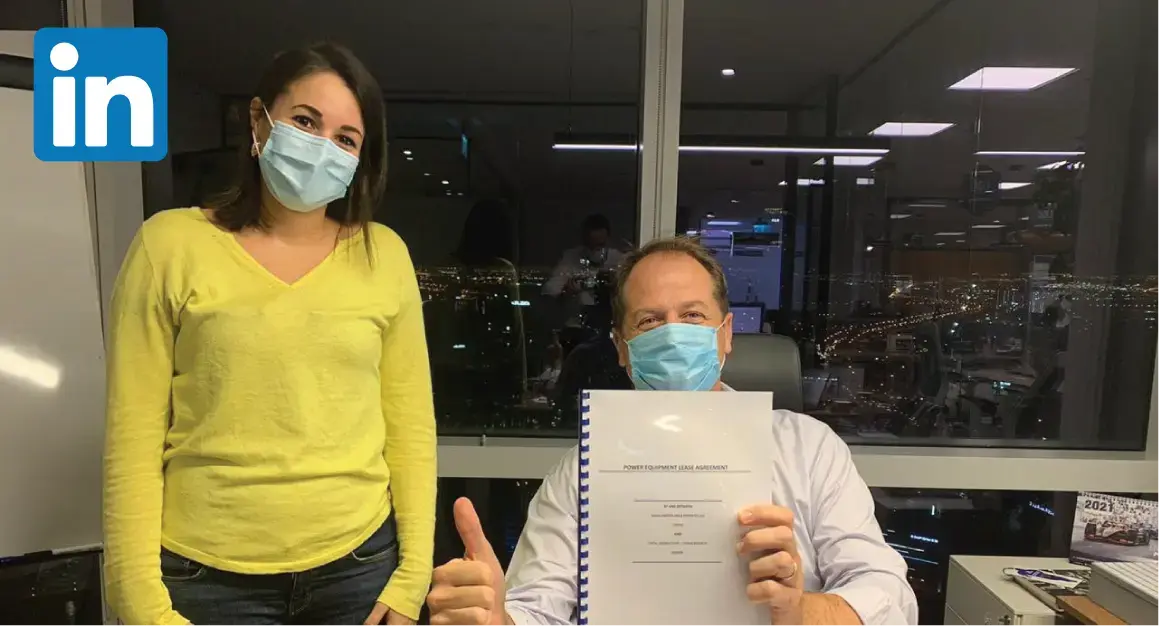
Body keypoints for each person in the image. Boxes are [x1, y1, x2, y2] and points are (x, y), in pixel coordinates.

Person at [103, 42, 435, 626]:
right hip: (204, 579)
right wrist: (138, 603)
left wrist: (413, 579)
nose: (322, 146)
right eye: (305, 121)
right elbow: (132, 438)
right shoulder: (169, 245)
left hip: (359, 569)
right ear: (259, 120)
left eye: (346, 138)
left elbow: (410, 429)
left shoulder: (383, 255)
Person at [426, 236, 918, 626]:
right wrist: (497, 620)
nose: (673, 334)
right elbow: (537, 608)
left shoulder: (809, 450)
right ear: (622, 348)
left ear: (726, 334)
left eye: (692, 316)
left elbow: (890, 597)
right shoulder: (581, 473)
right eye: (649, 321)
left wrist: (797, 612)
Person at [542, 214, 626, 335]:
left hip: (609, 326)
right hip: (578, 327)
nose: (595, 251)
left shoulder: (619, 260)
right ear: (584, 241)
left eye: (600, 245)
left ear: (608, 240)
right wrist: (567, 292)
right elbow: (550, 289)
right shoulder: (571, 259)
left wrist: (615, 285)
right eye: (591, 245)